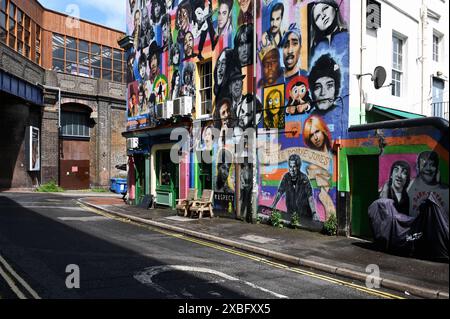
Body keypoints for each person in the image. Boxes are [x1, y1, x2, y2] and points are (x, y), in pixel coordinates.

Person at [271, 154, 320, 223]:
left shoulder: (304, 179)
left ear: (298, 167)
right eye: (290, 167)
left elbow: (310, 197)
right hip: (291, 214)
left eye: (294, 167)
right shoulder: (286, 177)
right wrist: (273, 205)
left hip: (305, 215)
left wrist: (314, 213)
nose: (292, 169)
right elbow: (280, 192)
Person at [407, 151, 449, 217]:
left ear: (437, 168)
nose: (428, 168)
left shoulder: (446, 191)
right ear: (418, 167)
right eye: (424, 165)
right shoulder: (407, 186)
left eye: (432, 165)